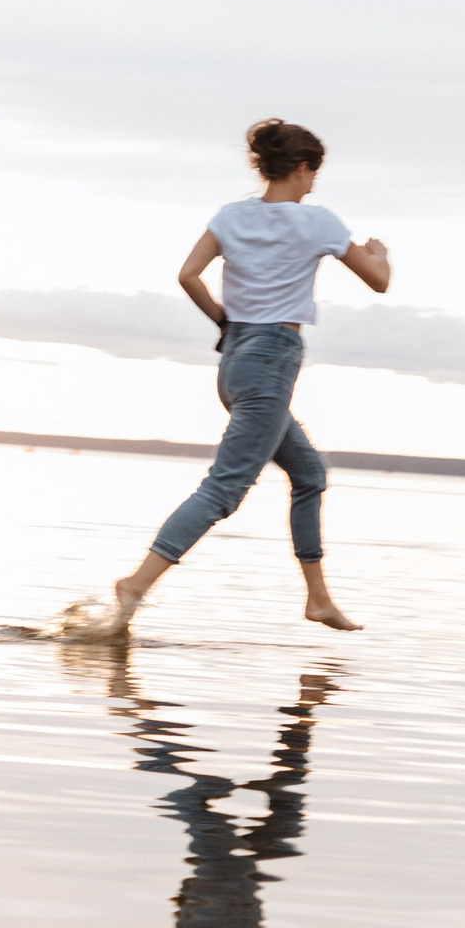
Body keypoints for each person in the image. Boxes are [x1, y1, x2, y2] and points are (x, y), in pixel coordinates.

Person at [104, 118, 390, 634]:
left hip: (235, 359)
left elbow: (188, 276)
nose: (311, 186)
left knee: (309, 474)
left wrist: (224, 321)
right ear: (301, 169)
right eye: (311, 176)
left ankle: (318, 599)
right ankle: (136, 584)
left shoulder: (231, 217)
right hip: (272, 360)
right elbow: (379, 282)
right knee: (223, 490)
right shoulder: (319, 221)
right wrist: (379, 253)